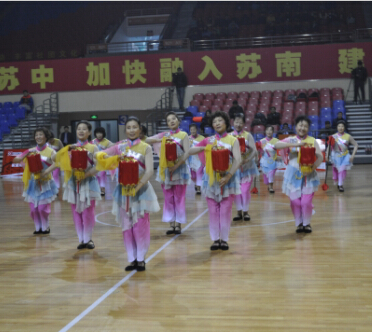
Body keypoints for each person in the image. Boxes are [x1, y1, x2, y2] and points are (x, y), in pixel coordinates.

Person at [95, 117, 160, 272]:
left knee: (140, 226)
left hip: (141, 191)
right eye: (129, 127)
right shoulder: (120, 146)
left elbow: (150, 170)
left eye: (134, 127)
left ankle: (141, 259)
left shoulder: (146, 147)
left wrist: (137, 187)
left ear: (140, 130)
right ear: (125, 130)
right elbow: (100, 155)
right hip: (123, 192)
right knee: (126, 226)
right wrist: (107, 157)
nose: (131, 130)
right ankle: (131, 258)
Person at [189, 111, 241, 250]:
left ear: (226, 123)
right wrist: (202, 146)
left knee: (225, 210)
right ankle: (215, 239)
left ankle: (224, 239)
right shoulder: (208, 140)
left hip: (228, 180)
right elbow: (191, 151)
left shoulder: (232, 140)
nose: (217, 123)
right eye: (214, 121)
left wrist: (228, 176)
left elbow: (238, 160)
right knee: (213, 211)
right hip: (210, 180)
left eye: (220, 120)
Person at [54, 120, 101, 249]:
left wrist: (85, 175)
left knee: (88, 212)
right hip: (73, 183)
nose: (81, 131)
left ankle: (88, 239)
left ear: (90, 132)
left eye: (84, 129)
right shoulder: (70, 147)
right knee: (76, 213)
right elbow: (55, 159)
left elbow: (98, 166)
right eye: (78, 129)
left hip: (88, 182)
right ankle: (81, 239)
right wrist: (66, 149)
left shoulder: (93, 147)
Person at [274, 116, 323, 234]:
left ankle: (307, 223)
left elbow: (320, 156)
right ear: (296, 127)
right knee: (295, 201)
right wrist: (295, 144)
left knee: (306, 202)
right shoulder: (291, 140)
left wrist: (313, 167)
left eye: (305, 126)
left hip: (308, 174)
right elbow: (276, 145)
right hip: (292, 174)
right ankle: (299, 223)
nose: (302, 128)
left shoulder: (312, 140)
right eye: (300, 125)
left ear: (308, 128)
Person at [146, 112, 191, 235]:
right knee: (168, 198)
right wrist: (160, 139)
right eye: (169, 120)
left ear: (178, 121)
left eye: (173, 119)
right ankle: (171, 224)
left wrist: (176, 165)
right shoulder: (165, 135)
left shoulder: (183, 135)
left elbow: (187, 152)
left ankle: (178, 224)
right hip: (166, 171)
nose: (171, 121)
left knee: (179, 198)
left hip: (180, 170)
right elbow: (147, 140)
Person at [12, 127, 58, 234]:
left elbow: (57, 163)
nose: (38, 137)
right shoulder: (31, 150)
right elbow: (16, 160)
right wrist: (26, 153)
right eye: (36, 135)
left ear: (46, 137)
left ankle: (45, 226)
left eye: (41, 134)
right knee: (34, 210)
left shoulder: (51, 151)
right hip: (32, 183)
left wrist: (46, 172)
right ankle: (38, 227)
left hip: (46, 183)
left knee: (42, 208)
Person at [231, 114, 258, 221]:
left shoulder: (248, 135)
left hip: (248, 167)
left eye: (240, 122)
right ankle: (239, 212)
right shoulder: (230, 135)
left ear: (244, 124)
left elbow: (254, 151)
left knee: (245, 190)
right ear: (233, 123)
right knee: (236, 191)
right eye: (236, 122)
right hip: (234, 168)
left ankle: (246, 212)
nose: (238, 124)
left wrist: (247, 159)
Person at [326, 121, 358, 192]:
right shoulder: (333, 136)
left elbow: (356, 145)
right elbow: (329, 147)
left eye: (342, 126)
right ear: (337, 127)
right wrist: (327, 155)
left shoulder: (348, 136)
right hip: (336, 156)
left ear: (344, 127)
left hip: (345, 155)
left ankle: (340, 185)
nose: (341, 128)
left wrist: (352, 155)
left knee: (342, 170)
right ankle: (337, 181)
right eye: (339, 126)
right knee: (336, 171)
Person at [91, 127, 114, 196]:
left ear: (103, 134)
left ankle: (102, 189)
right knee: (96, 176)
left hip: (103, 162)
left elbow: (112, 151)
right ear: (95, 134)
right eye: (97, 133)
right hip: (94, 162)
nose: (99, 135)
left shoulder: (107, 142)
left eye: (101, 133)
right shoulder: (92, 142)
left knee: (102, 175)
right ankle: (97, 189)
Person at [259, 125, 280, 194]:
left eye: (270, 130)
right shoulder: (262, 141)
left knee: (271, 174)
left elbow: (281, 149)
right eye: (267, 130)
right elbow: (259, 151)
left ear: (273, 132)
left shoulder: (276, 141)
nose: (269, 132)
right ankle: (268, 185)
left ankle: (271, 187)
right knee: (266, 178)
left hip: (272, 161)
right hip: (264, 161)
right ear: (265, 131)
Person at [188, 123, 205, 195]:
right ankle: (196, 183)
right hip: (191, 159)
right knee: (193, 175)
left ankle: (198, 187)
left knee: (199, 173)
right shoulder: (188, 138)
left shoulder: (202, 138)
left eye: (194, 129)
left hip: (199, 159)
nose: (193, 131)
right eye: (191, 130)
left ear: (197, 130)